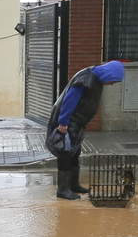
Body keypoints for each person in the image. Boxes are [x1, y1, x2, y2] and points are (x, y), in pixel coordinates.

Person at [47, 60, 126, 200]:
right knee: (65, 153)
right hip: (68, 121)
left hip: (77, 122)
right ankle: (63, 190)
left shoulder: (96, 79)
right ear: (108, 74)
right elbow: (70, 100)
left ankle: (74, 184)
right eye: (113, 81)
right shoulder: (86, 80)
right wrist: (64, 121)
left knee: (74, 152)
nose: (112, 84)